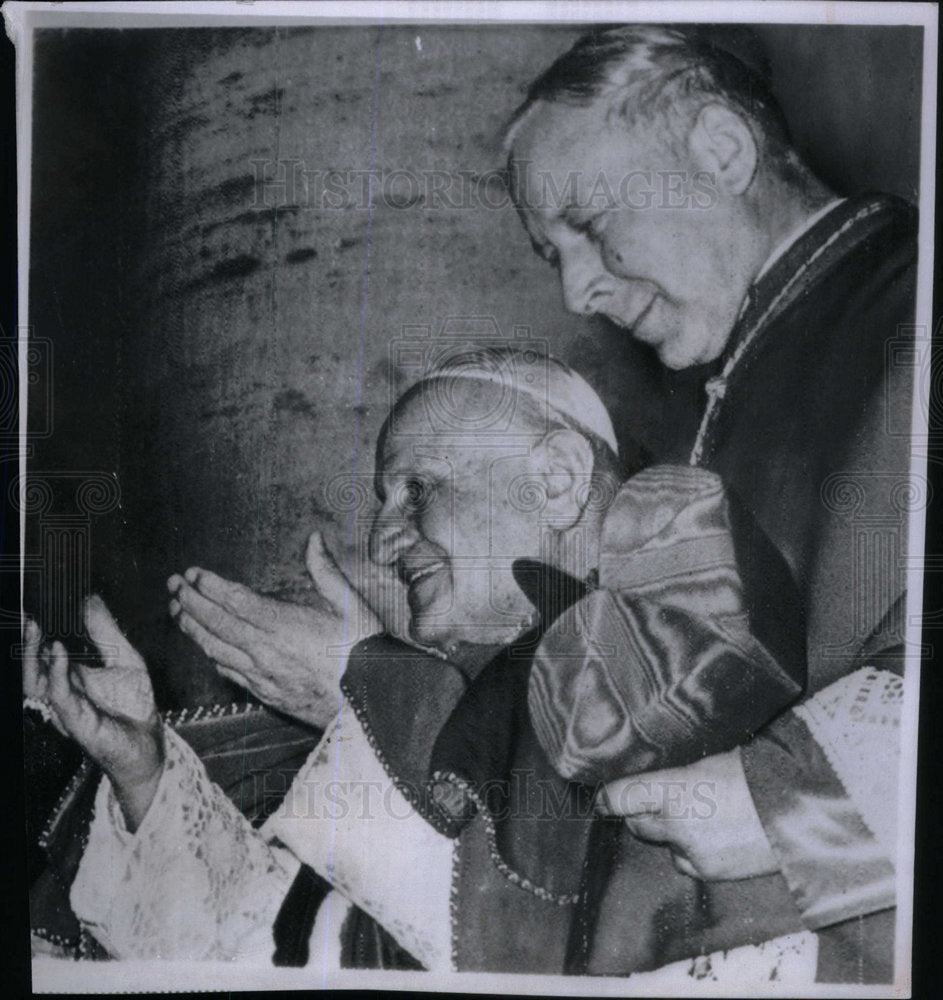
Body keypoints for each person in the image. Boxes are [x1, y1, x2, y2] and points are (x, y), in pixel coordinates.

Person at [25, 349, 844, 981]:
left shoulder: (690, 572)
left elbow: (561, 904)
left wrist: (374, 688)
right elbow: (304, 956)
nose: (385, 540)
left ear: (557, 480)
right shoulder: (470, 707)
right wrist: (144, 772)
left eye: (417, 488)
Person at [501, 24, 916, 982]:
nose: (576, 290)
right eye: (550, 254)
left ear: (721, 151)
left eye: (589, 225)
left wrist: (786, 801)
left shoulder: (912, 301)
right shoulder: (744, 365)